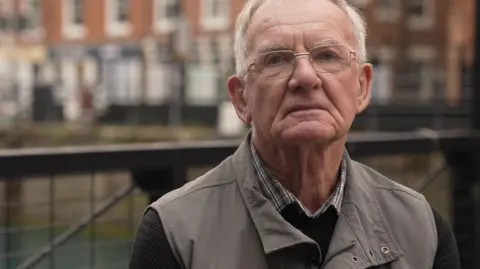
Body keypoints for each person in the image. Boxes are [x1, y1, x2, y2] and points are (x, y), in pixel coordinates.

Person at [129, 0, 461, 268]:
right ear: (241, 98)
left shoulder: (423, 229)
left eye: (327, 55)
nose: (305, 77)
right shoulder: (172, 234)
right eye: (276, 60)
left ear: (362, 87)